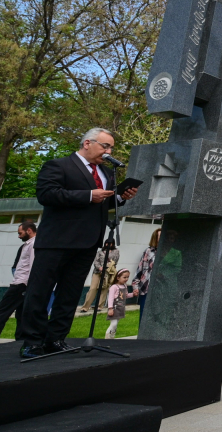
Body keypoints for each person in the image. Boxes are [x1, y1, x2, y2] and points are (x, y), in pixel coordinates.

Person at [20, 128, 138, 358]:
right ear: (87, 143)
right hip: (56, 241)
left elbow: (102, 204)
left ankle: (56, 339)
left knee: (70, 294)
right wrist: (88, 195)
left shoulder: (107, 173)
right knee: (39, 292)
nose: (109, 151)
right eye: (105, 146)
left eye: (111, 147)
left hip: (87, 243)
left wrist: (120, 197)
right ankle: (32, 342)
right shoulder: (59, 165)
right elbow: (47, 194)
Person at [0, 220, 36, 344]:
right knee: (21, 314)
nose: (19, 236)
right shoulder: (28, 244)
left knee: (2, 311)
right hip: (22, 284)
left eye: (20, 233)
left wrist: (28, 285)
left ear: (29, 230)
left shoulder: (33, 245)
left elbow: (33, 266)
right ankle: (20, 339)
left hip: (21, 284)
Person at [79, 241, 120, 314]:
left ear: (113, 244)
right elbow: (96, 261)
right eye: (107, 243)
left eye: (110, 243)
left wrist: (107, 267)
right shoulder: (100, 252)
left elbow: (115, 261)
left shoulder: (116, 251)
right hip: (97, 272)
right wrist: (100, 268)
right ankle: (85, 307)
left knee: (104, 289)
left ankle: (99, 306)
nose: (108, 244)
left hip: (108, 272)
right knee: (93, 288)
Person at [131, 228, 160, 319]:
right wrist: (135, 286)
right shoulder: (148, 251)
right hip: (146, 288)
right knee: (144, 316)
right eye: (160, 236)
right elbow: (140, 269)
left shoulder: (170, 252)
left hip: (161, 289)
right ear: (155, 238)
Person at [105, 268, 135, 339]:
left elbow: (126, 295)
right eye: (124, 277)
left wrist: (133, 294)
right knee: (113, 323)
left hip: (120, 308)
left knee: (116, 324)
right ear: (118, 278)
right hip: (114, 308)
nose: (126, 279)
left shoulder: (125, 286)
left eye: (127, 277)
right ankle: (107, 338)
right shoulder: (114, 287)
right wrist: (110, 308)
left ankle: (112, 337)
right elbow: (110, 298)